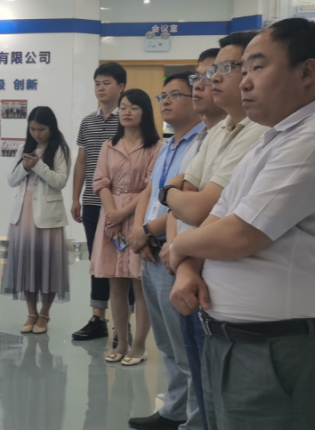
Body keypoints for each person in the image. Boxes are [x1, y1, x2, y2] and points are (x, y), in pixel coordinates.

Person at [168, 18, 315, 429]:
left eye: (257, 67)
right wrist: (187, 267)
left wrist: (179, 248)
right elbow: (218, 218)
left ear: (307, 71)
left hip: (282, 352)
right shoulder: (271, 139)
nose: (244, 81)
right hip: (237, 344)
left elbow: (240, 235)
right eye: (243, 70)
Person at [124, 72, 205, 430]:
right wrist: (139, 231)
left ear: (196, 100)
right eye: (163, 96)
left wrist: (146, 232)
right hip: (151, 250)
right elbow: (149, 191)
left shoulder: (201, 145)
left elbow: (181, 205)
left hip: (176, 253)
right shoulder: (168, 144)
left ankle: (194, 420)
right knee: (168, 344)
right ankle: (174, 412)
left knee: (186, 346)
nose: (166, 102)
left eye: (176, 95)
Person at [169, 47, 225, 430]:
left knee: (215, 397)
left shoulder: (252, 135)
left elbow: (201, 208)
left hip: (209, 278)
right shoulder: (213, 135)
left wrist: (177, 249)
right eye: (199, 77)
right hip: (187, 268)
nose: (206, 83)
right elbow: (181, 196)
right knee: (192, 368)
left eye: (219, 71)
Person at [91, 88, 162, 365]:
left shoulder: (155, 147)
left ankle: (139, 346)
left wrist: (122, 215)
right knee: (116, 284)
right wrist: (112, 215)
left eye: (133, 107)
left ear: (145, 112)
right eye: (123, 107)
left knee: (139, 284)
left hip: (138, 215)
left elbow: (150, 187)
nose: (127, 112)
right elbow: (101, 182)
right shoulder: (109, 145)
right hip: (110, 218)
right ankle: (121, 342)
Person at [1, 106, 72, 334]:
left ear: (51, 128)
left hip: (48, 216)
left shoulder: (59, 149)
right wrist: (24, 166)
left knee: (48, 267)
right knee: (26, 265)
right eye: (32, 129)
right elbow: (11, 181)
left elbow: (60, 181)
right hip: (23, 214)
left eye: (41, 129)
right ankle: (31, 312)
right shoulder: (24, 148)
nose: (36, 134)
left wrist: (38, 165)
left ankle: (45, 313)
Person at [72, 62, 127, 341]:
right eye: (97, 83)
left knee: (122, 261)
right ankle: (98, 318)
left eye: (106, 83)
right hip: (92, 203)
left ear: (121, 87)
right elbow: (82, 161)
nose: (100, 88)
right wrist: (75, 197)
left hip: (120, 206)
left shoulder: (127, 119)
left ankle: (123, 325)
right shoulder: (87, 122)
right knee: (97, 261)